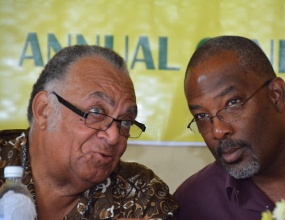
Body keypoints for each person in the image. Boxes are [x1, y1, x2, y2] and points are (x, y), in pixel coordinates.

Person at [0, 45, 178, 220]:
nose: (114, 137)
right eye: (96, 112)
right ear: (44, 110)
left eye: (125, 122)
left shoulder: (140, 193)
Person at [174, 36, 285, 219]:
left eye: (232, 103)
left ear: (276, 95)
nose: (218, 131)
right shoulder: (193, 204)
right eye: (202, 116)